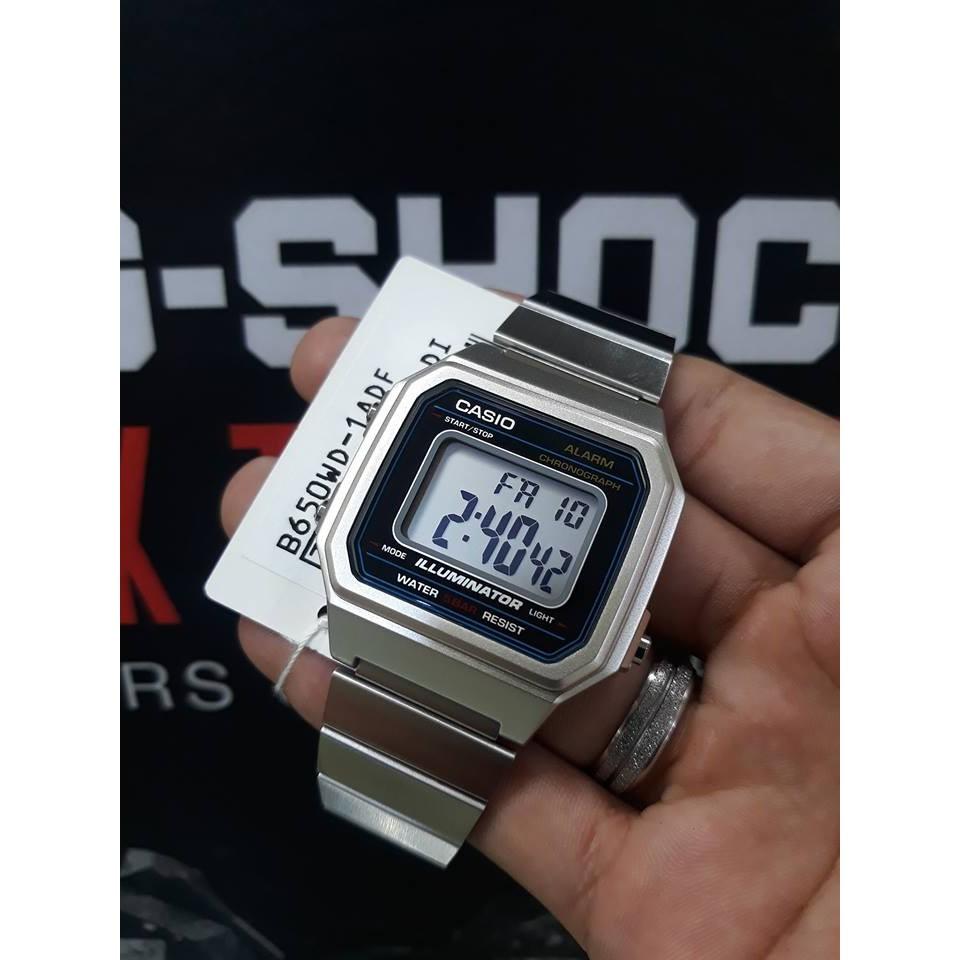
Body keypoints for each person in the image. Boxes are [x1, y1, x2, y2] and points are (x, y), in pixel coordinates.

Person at [220, 313, 840, 959]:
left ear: (631, 639)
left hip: (519, 671)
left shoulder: (639, 471)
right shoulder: (441, 400)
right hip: (380, 617)